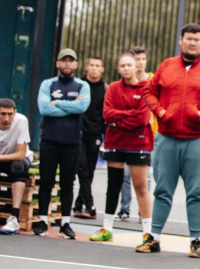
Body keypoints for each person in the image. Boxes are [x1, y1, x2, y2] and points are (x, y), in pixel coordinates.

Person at [138, 23, 200, 257]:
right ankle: (154, 237)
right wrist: (159, 112)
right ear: (181, 40)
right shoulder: (167, 66)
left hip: (197, 139)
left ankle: (195, 240)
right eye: (188, 38)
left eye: (196, 39)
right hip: (167, 138)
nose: (192, 42)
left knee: (197, 192)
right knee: (162, 190)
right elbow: (149, 92)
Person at [90, 54, 153, 242]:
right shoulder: (113, 88)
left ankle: (148, 232)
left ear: (136, 67)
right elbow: (107, 115)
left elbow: (142, 118)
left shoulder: (145, 89)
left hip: (139, 144)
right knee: (113, 185)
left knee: (141, 187)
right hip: (115, 142)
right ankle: (106, 228)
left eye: (129, 65)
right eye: (122, 65)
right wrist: (127, 116)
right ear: (118, 69)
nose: (126, 68)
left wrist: (120, 121)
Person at [33, 48, 91, 239]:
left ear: (76, 64)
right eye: (63, 60)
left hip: (72, 143)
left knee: (68, 183)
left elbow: (82, 106)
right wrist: (70, 106)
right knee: (46, 182)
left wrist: (57, 103)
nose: (67, 63)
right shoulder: (48, 84)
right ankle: (42, 221)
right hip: (49, 141)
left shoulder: (83, 86)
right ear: (57, 63)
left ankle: (65, 224)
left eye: (71, 61)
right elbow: (44, 108)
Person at [118, 46, 152, 220]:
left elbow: (144, 114)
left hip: (147, 136)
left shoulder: (152, 81)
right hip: (125, 135)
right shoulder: (123, 83)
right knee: (124, 174)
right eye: (136, 59)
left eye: (142, 59)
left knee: (146, 178)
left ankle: (143, 212)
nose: (140, 63)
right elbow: (113, 112)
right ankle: (124, 209)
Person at [73, 57, 107, 220]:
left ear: (102, 69)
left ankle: (78, 205)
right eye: (91, 65)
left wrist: (106, 138)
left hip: (95, 135)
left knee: (89, 171)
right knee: (82, 168)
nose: (94, 68)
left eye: (97, 66)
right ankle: (90, 205)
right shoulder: (78, 85)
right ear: (86, 67)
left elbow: (106, 115)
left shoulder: (105, 89)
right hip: (77, 133)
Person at [0, 98, 32, 235]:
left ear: (15, 113)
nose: (7, 118)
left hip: (16, 160)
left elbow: (20, 155)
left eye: (10, 114)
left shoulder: (21, 120)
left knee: (18, 166)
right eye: (3, 114)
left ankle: (14, 218)